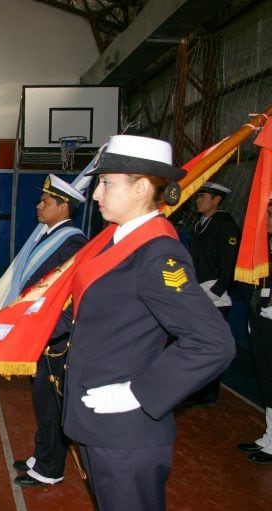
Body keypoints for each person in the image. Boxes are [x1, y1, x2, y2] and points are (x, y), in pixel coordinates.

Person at [53, 135, 235, 511]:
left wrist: (138, 393)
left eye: (106, 183)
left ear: (140, 188)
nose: (97, 194)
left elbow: (211, 342)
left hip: (126, 432)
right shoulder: (117, 242)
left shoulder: (158, 255)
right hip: (98, 424)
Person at [13, 174, 88, 488]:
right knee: (41, 398)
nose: (38, 205)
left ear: (63, 206)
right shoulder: (48, 235)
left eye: (45, 201)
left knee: (51, 401)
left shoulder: (72, 242)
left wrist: (49, 328)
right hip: (39, 329)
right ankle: (42, 454)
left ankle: (50, 468)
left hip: (55, 336)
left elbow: (72, 294)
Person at [187, 181, 241, 405]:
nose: (199, 200)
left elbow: (229, 262)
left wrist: (218, 290)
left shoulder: (224, 224)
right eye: (198, 196)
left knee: (211, 345)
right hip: (199, 288)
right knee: (196, 343)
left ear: (216, 199)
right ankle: (196, 389)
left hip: (214, 293)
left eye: (204, 196)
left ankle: (208, 393)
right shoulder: (202, 224)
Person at [237, 195, 272, 465]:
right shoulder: (266, 246)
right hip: (262, 316)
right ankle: (269, 436)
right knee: (266, 378)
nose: (267, 220)